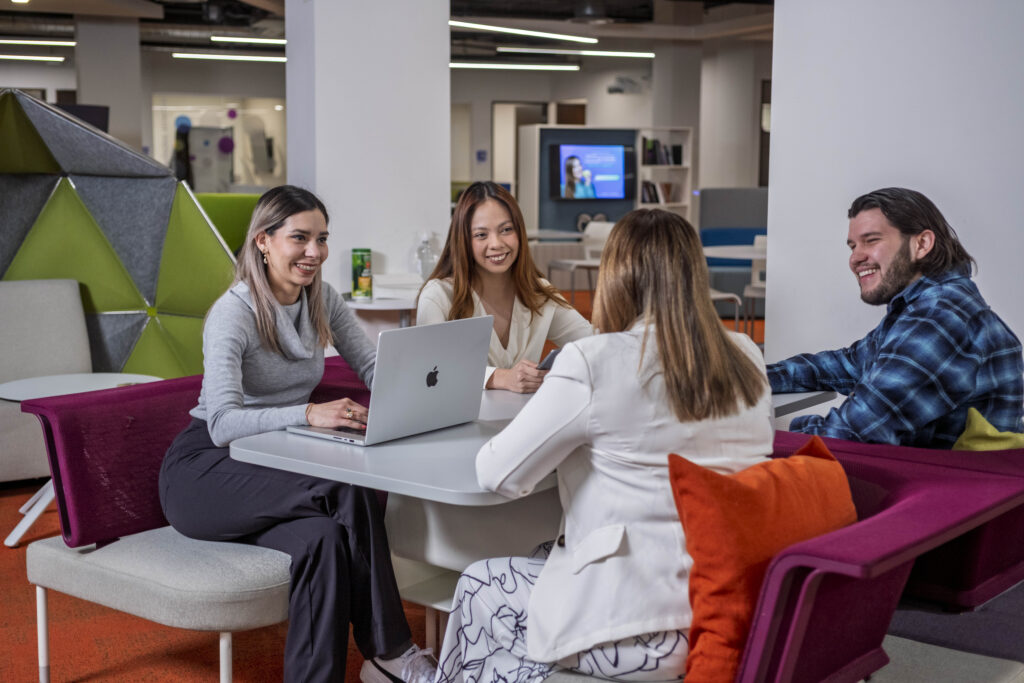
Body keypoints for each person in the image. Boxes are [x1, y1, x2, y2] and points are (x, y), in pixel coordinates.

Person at [434, 208, 773, 683]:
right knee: (542, 553)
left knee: (478, 585)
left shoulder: (594, 361)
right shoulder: (746, 353)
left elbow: (496, 473)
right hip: (735, 609)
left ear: (616, 278)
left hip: (640, 630)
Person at [158, 186, 435, 683]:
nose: (314, 251)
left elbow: (373, 367)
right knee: (346, 487)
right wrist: (307, 413)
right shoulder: (233, 313)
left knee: (321, 540)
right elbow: (222, 423)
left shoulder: (322, 299)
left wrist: (423, 394)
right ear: (263, 241)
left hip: (273, 465)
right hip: (205, 470)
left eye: (322, 239)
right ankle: (390, 651)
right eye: (300, 238)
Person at [768, 187, 1023, 448]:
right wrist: (752, 377)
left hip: (949, 473)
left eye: (871, 240)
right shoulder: (925, 306)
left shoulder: (938, 317)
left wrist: (766, 434)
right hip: (938, 469)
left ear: (921, 244)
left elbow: (850, 435)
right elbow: (845, 365)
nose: (855, 258)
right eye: (853, 246)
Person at [417, 181, 593, 393]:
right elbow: (430, 372)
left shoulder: (539, 293)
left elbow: (593, 343)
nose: (497, 244)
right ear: (463, 241)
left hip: (525, 413)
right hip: (460, 414)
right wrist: (500, 378)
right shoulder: (439, 295)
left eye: (506, 230)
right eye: (481, 235)